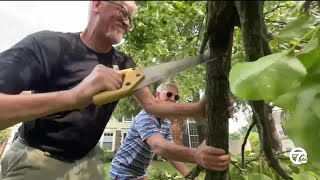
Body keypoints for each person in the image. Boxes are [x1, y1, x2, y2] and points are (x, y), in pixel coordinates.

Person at [0, 1, 230, 180]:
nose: (128, 22)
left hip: (88, 160)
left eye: (131, 18)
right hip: (36, 158)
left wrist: (199, 109)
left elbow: (153, 105)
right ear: (97, 4)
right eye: (123, 11)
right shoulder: (47, 46)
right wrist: (73, 97)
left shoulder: (124, 63)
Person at [110, 82, 231, 180]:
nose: (172, 99)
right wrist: (196, 155)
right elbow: (159, 146)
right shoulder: (146, 116)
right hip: (122, 172)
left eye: (176, 97)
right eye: (168, 94)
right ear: (157, 95)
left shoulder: (166, 122)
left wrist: (189, 175)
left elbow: (169, 153)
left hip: (140, 172)